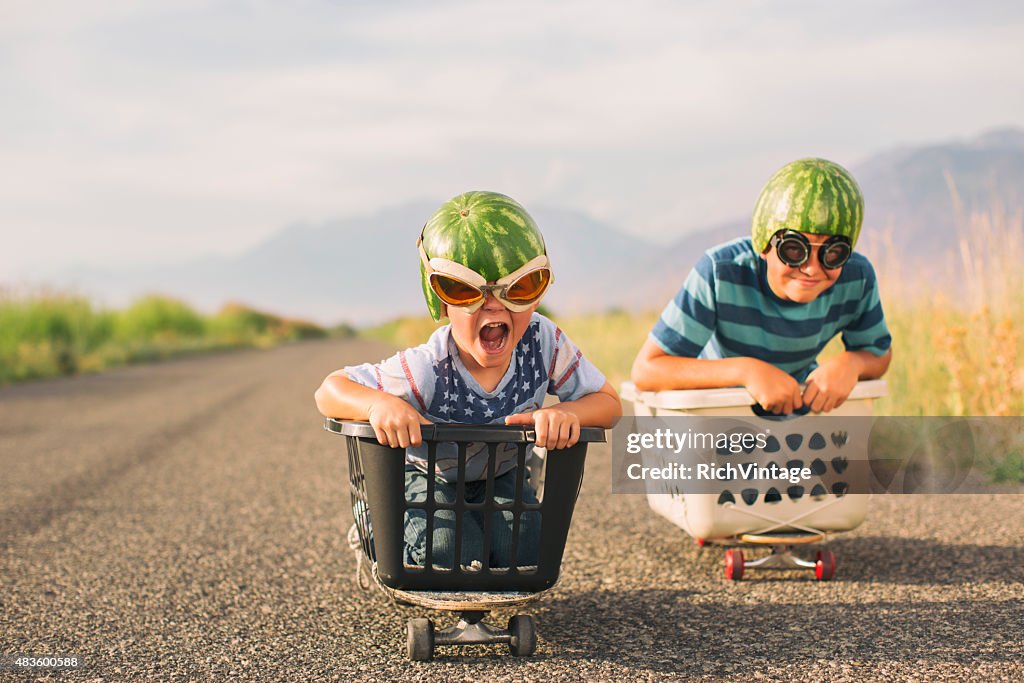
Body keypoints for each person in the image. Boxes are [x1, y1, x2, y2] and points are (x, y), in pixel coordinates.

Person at [315, 191, 621, 569]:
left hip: (503, 474)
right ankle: (375, 522)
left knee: (527, 554)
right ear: (440, 301)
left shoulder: (544, 344)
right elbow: (329, 389)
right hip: (427, 479)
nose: (495, 305)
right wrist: (381, 404)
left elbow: (609, 403)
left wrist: (570, 413)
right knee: (449, 551)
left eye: (519, 288)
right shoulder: (427, 368)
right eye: (466, 291)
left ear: (539, 293)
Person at [631, 158, 892, 415]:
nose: (812, 268)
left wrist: (851, 364)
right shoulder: (721, 273)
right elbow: (647, 370)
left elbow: (878, 354)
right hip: (716, 413)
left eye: (833, 253)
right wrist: (747, 371)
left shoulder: (856, 277)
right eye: (794, 249)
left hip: (796, 421)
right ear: (763, 244)